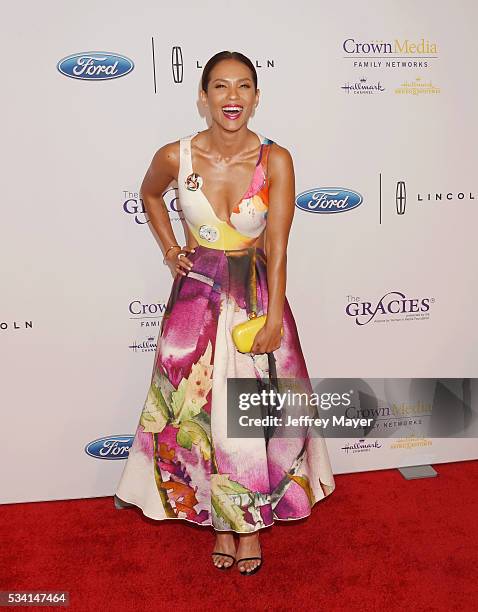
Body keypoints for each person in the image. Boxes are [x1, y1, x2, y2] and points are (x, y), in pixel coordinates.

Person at [115, 50, 336, 575]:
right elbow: (149, 195)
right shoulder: (176, 156)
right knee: (196, 413)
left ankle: (250, 524)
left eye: (242, 87)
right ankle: (220, 520)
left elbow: (279, 247)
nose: (231, 96)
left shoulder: (275, 160)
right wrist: (171, 250)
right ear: (203, 96)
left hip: (256, 297)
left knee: (253, 413)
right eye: (220, 86)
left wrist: (276, 316)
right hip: (195, 301)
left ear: (257, 98)